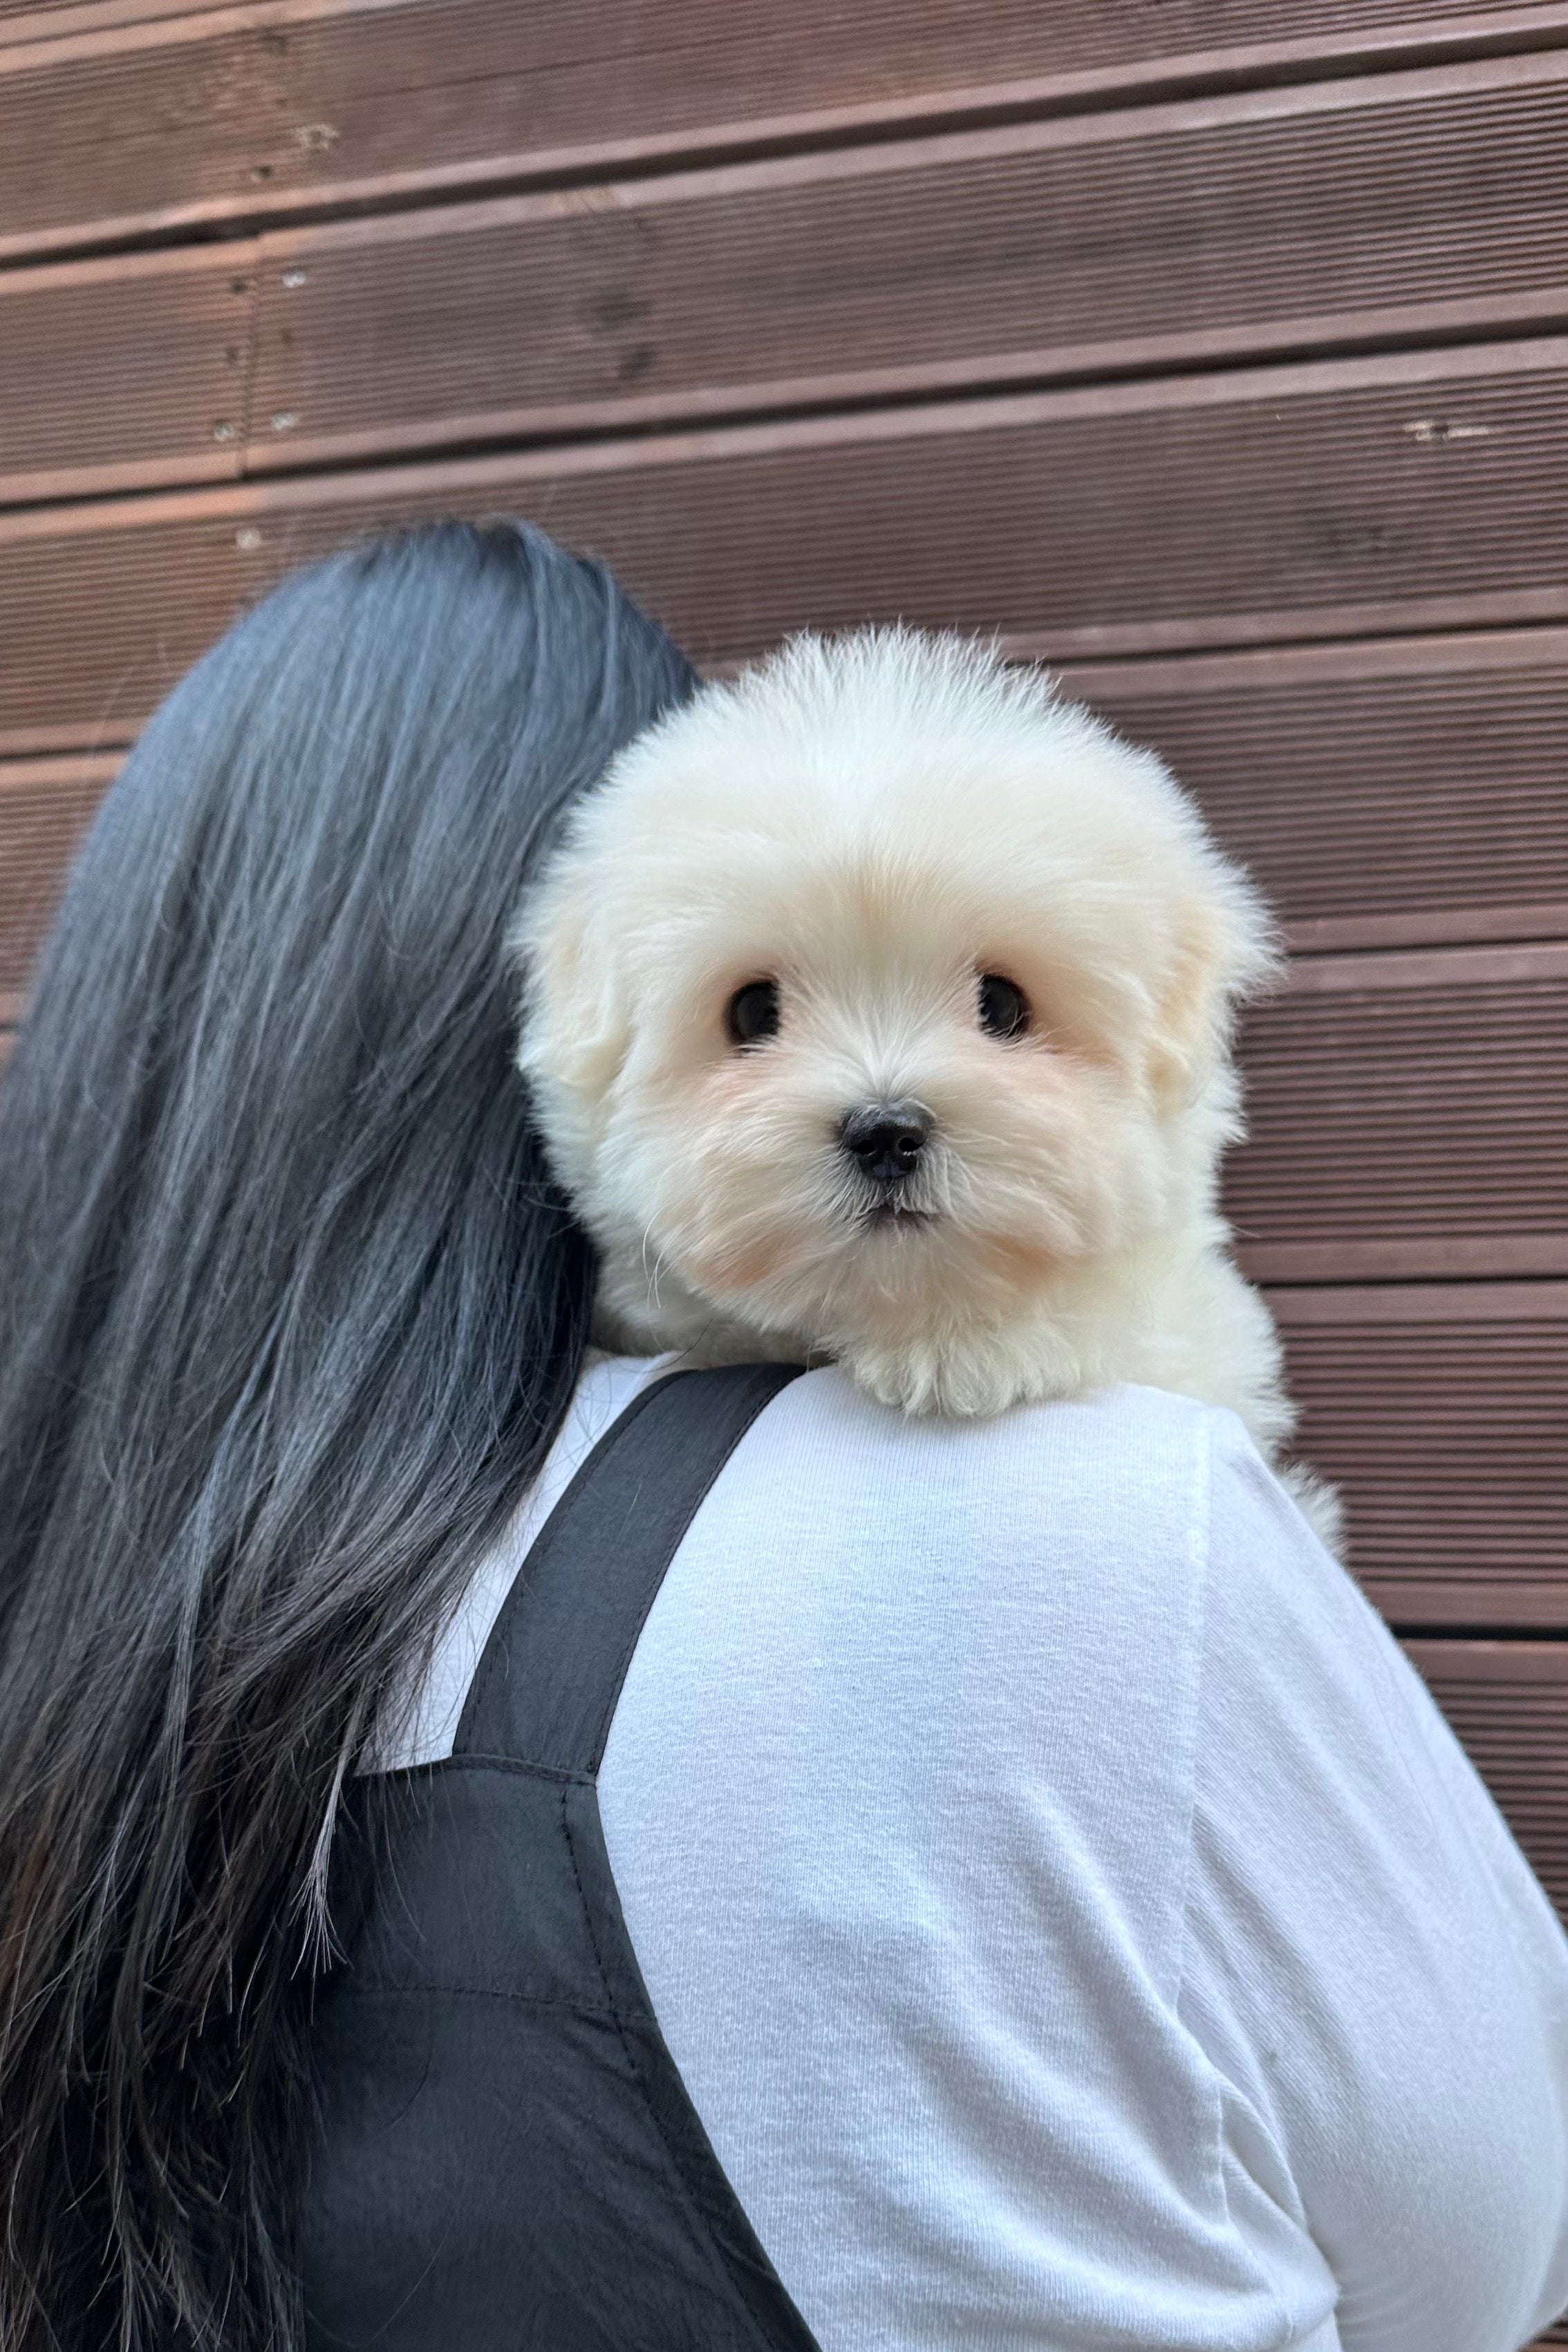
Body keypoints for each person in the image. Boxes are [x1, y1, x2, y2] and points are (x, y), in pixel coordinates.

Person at [0, 521, 1562, 2352]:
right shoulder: (1105, 1521)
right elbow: (1494, 2228)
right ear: (557, 1049)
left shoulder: (81, 1661)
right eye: (754, 1013)